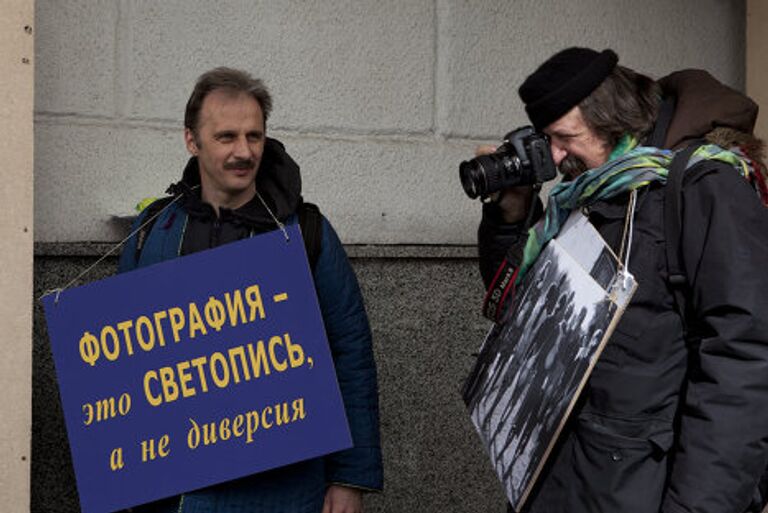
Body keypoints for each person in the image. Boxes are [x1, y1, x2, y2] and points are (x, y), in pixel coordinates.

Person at [476, 47, 768, 512]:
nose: (555, 156)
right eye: (546, 139)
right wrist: (510, 217)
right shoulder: (590, 191)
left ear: (611, 118)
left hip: (643, 487)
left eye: (565, 136)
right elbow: (523, 311)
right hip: (566, 476)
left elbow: (744, 362)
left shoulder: (701, 188)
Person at [119, 67, 382, 513]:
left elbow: (350, 352)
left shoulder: (306, 232)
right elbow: (122, 364)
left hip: (281, 492)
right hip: (173, 494)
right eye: (226, 137)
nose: (244, 151)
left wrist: (348, 477)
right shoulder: (152, 232)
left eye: (254, 136)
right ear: (191, 140)